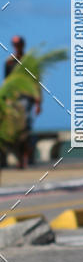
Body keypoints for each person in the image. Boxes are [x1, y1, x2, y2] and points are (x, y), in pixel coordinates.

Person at [4, 35, 41, 168]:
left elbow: (36, 83)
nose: (16, 46)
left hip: (27, 98)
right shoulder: (9, 62)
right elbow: (6, 83)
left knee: (24, 128)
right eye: (14, 44)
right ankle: (21, 157)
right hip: (13, 99)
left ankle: (24, 158)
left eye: (18, 43)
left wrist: (38, 102)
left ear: (22, 45)